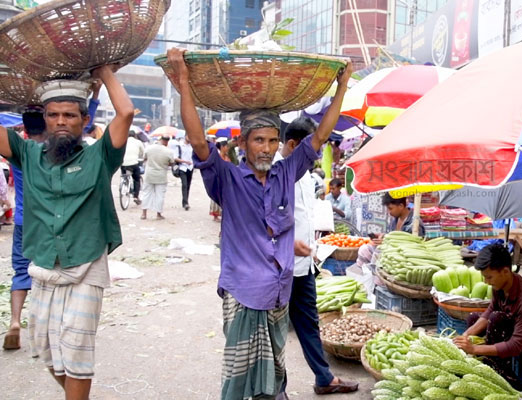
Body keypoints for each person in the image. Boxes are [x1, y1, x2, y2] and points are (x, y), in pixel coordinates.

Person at [166, 47, 351, 400]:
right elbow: (195, 140)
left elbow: (320, 137)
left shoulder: (286, 173)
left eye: (271, 140)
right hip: (243, 293)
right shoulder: (227, 178)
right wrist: (185, 82)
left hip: (278, 293)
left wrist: (341, 86)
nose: (266, 148)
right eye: (258, 140)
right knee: (238, 378)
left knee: (275, 371)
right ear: (242, 143)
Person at [0, 66, 134, 399]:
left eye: (70, 115)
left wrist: (104, 73)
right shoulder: (27, 154)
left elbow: (127, 112)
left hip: (87, 265)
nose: (61, 121)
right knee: (46, 350)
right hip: (44, 263)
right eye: (54, 114)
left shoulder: (100, 156)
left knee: (75, 351)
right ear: (44, 119)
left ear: (84, 121)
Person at [275, 116, 359, 396]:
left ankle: (324, 378)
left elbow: (304, 215)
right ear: (293, 144)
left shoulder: (308, 176)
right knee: (275, 331)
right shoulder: (275, 171)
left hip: (304, 264)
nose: (316, 154)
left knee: (309, 323)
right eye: (313, 146)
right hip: (279, 266)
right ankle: (277, 387)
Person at [453, 244, 522, 390]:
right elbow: (489, 311)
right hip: (519, 326)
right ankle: (487, 363)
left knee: (497, 320)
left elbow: (516, 345)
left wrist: (474, 349)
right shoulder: (500, 285)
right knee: (474, 318)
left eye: (489, 277)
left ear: (505, 271)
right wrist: (466, 335)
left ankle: (507, 379)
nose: (486, 282)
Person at [2, 107, 47, 351]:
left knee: (21, 270)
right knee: (50, 271)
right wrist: (93, 95)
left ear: (26, 129)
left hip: (23, 221)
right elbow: (84, 122)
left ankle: (15, 321)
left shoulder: (19, 152)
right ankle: (45, 326)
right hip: (50, 222)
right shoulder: (59, 150)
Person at [355, 192, 424, 266]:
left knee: (376, 254)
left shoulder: (414, 224)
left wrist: (386, 242)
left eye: (390, 208)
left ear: (401, 206)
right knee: (364, 249)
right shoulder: (396, 219)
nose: (389, 212)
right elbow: (394, 236)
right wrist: (383, 236)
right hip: (392, 251)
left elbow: (412, 246)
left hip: (404, 257)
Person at [140, 135, 187, 220]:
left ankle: (144, 214)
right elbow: (171, 163)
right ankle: (158, 214)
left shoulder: (149, 148)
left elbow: (144, 158)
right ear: (167, 141)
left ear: (160, 139)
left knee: (146, 194)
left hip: (149, 175)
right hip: (161, 176)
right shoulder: (168, 151)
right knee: (160, 195)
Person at [121, 130, 145, 204]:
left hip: (123, 163)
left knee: (124, 175)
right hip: (133, 163)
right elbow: (142, 153)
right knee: (137, 179)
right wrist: (140, 158)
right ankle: (135, 196)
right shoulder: (138, 142)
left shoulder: (123, 141)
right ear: (135, 136)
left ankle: (124, 183)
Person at [178, 134, 194, 210]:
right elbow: (175, 158)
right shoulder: (180, 146)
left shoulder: (192, 146)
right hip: (182, 167)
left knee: (188, 185)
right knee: (184, 184)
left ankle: (186, 200)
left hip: (190, 168)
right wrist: (184, 161)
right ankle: (185, 203)